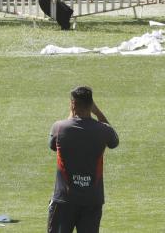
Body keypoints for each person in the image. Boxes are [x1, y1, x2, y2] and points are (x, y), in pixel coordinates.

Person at [48, 86, 119, 233]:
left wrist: (72, 113)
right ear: (91, 104)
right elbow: (114, 141)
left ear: (73, 104)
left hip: (64, 200)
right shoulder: (103, 130)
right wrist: (97, 111)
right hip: (92, 200)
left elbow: (53, 146)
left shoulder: (60, 128)